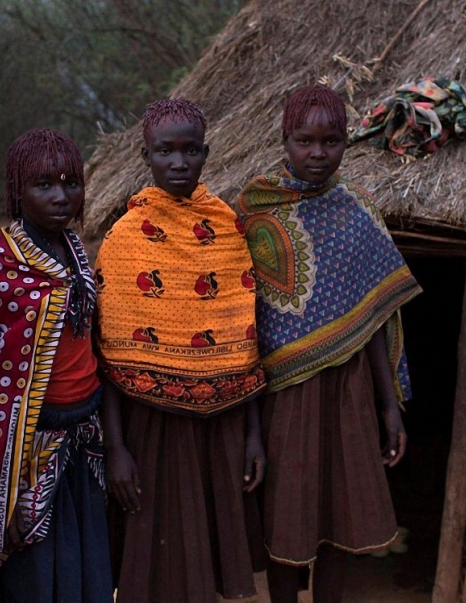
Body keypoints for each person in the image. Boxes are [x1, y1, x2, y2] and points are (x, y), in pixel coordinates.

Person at [235, 84, 423, 603]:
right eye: (305, 140)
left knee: (342, 511)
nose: (318, 153)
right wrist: (248, 424)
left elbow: (377, 316)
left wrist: (390, 409)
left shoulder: (358, 210)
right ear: (285, 139)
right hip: (282, 396)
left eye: (331, 141)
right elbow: (241, 325)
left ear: (346, 142)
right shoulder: (254, 211)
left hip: (350, 392)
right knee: (285, 511)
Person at [96, 98, 267, 603]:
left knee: (207, 561)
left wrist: (254, 435)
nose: (178, 163)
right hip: (149, 429)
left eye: (190, 151)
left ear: (206, 153)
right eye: (165, 152)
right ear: (146, 156)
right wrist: (116, 447)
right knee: (153, 563)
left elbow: (245, 339)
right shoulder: (125, 238)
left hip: (222, 425)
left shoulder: (228, 230)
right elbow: (107, 356)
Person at [0, 128, 113, 602]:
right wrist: (2, 487)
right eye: (43, 185)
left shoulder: (75, 254)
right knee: (37, 576)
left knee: (86, 567)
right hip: (28, 457)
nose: (61, 196)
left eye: (71, 183)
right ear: (16, 191)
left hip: (83, 439)